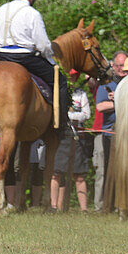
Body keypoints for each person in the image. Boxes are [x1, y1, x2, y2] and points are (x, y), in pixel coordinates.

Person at [0, 0, 69, 121]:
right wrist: (50, 59)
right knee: (60, 81)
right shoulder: (32, 13)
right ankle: (61, 124)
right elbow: (43, 45)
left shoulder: (2, 8)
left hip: (1, 56)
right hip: (23, 58)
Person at [49, 69, 92, 212]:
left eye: (73, 76)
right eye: (68, 76)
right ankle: (54, 206)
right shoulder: (55, 92)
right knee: (56, 173)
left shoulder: (81, 94)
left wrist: (69, 116)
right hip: (60, 135)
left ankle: (84, 209)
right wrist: (69, 115)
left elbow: (86, 114)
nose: (71, 79)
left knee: (79, 175)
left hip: (76, 135)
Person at [92, 49, 128, 211]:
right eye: (119, 65)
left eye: (124, 65)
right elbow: (100, 106)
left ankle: (120, 204)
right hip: (106, 133)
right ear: (113, 65)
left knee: (123, 171)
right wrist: (120, 103)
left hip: (127, 134)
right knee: (102, 170)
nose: (121, 68)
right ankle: (100, 206)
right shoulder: (106, 84)